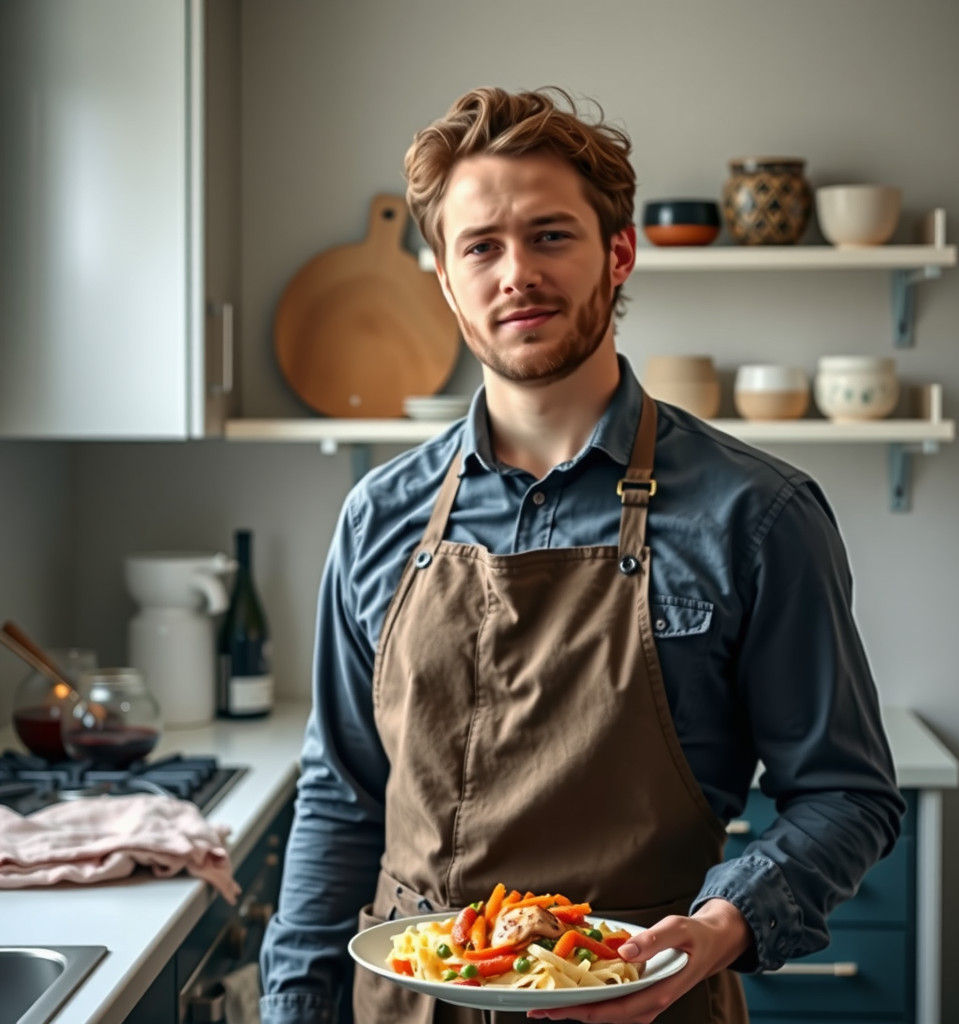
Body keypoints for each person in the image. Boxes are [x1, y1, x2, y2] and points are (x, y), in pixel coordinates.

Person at [259, 86, 904, 1024]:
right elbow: (340, 796)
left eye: (550, 235)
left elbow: (846, 795)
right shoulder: (378, 518)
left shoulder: (757, 515)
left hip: (647, 995)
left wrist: (721, 926)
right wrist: (294, 1005)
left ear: (619, 253)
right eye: (481, 246)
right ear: (444, 281)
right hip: (402, 1003)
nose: (516, 272)